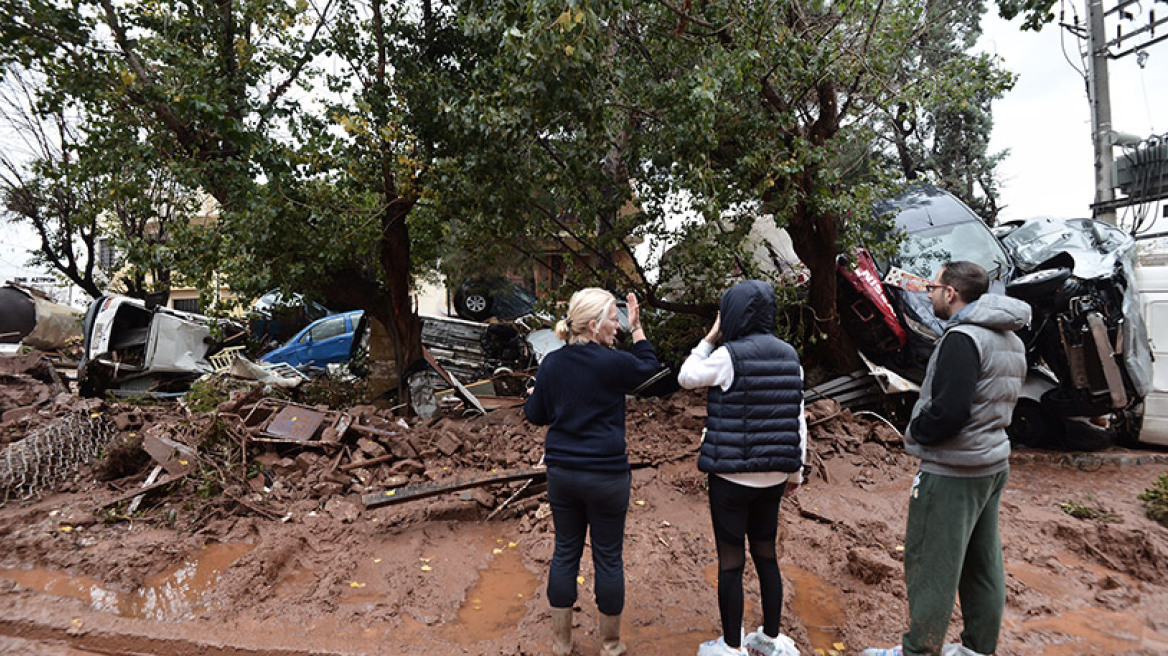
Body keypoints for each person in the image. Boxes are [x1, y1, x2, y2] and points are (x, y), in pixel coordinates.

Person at [863, 261, 1030, 656]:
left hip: (954, 470)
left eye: (933, 287)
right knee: (983, 563)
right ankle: (977, 648)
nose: (930, 294)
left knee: (930, 566)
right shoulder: (1010, 339)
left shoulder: (963, 339)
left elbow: (951, 412)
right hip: (991, 464)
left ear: (951, 292)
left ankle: (918, 651)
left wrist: (917, 430)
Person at [524, 288, 660, 656]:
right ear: (593, 324)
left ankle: (560, 643)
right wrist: (638, 329)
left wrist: (539, 392)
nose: (617, 328)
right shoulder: (612, 364)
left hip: (563, 475)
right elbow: (650, 367)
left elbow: (535, 415)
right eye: (613, 320)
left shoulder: (552, 364)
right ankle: (611, 646)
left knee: (565, 552)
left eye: (620, 321)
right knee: (608, 557)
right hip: (607, 476)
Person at [677, 280, 805, 656]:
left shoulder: (727, 355)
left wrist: (709, 338)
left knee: (731, 560)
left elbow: (686, 376)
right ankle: (769, 638)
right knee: (766, 555)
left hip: (731, 478)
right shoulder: (790, 356)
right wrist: (796, 473)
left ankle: (731, 647)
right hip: (775, 477)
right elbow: (798, 418)